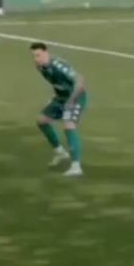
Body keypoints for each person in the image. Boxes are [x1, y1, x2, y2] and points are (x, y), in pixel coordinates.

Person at [30, 42, 87, 177]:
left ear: (46, 53)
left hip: (75, 97)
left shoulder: (58, 65)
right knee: (42, 121)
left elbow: (79, 80)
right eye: (33, 56)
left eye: (38, 55)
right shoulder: (41, 67)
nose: (36, 59)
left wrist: (71, 101)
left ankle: (76, 166)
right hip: (60, 98)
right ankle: (60, 153)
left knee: (69, 127)